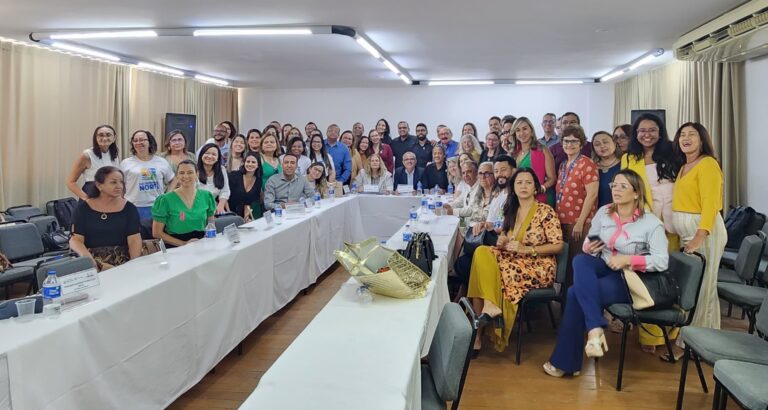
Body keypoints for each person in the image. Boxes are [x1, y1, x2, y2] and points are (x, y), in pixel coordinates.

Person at [544, 169, 668, 377]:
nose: (616, 190)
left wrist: (628, 260)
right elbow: (590, 240)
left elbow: (661, 261)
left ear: (636, 193)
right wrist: (589, 246)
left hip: (629, 277)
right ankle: (595, 328)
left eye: (623, 186)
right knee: (581, 259)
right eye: (614, 185)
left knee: (575, 293)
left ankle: (568, 360)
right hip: (603, 265)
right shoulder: (604, 212)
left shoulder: (651, 223)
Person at [469, 169, 564, 354]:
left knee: (485, 272)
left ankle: (478, 334)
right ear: (513, 187)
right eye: (519, 182)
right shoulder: (511, 210)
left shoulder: (546, 211)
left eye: (528, 182)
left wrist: (527, 249)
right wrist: (503, 240)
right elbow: (506, 236)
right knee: (481, 253)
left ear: (535, 188)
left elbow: (558, 245)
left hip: (538, 265)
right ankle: (489, 306)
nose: (523, 186)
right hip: (513, 259)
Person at [621, 113, 680, 352]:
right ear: (636, 134)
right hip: (644, 222)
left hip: (672, 224)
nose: (647, 134)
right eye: (642, 130)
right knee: (647, 277)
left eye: (652, 130)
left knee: (671, 277)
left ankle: (672, 330)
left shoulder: (673, 154)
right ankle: (650, 335)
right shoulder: (629, 158)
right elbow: (626, 189)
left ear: (660, 131)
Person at [671, 122, 727, 332]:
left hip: (703, 232)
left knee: (704, 285)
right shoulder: (684, 166)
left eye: (692, 134)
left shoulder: (708, 164)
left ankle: (703, 336)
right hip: (688, 233)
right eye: (682, 134)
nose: (685, 138)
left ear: (702, 140)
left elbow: (710, 204)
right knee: (692, 286)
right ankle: (690, 334)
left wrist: (699, 236)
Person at [69, 166, 142, 270]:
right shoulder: (82, 209)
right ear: (99, 185)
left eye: (121, 182)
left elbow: (134, 240)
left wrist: (134, 264)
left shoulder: (129, 208)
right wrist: (88, 260)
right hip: (91, 261)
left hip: (122, 261)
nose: (119, 186)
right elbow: (76, 240)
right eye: (113, 182)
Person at [556, 125, 599, 289]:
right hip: (563, 221)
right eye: (566, 141)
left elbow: (592, 195)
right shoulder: (563, 165)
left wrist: (580, 222)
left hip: (580, 222)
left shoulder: (587, 164)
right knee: (565, 266)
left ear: (581, 144)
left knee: (578, 263)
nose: (570, 144)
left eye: (574, 141)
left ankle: (578, 297)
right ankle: (565, 299)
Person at [151, 160, 216, 247]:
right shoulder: (165, 200)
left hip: (201, 244)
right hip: (175, 246)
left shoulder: (206, 196)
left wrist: (206, 240)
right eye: (181, 173)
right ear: (177, 176)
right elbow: (157, 233)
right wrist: (184, 244)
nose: (185, 176)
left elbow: (211, 223)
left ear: (197, 174)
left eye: (190, 172)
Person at [121, 130, 175, 220]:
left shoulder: (161, 161)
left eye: (142, 140)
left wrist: (166, 196)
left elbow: (173, 179)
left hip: (157, 206)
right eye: (135, 140)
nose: (138, 143)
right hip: (133, 206)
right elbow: (120, 183)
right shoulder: (126, 163)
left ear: (150, 142)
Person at [67, 124, 121, 200]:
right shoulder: (87, 155)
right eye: (101, 135)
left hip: (110, 198)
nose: (104, 138)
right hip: (92, 197)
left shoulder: (114, 155)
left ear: (114, 138)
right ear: (96, 138)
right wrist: (87, 199)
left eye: (108, 135)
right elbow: (70, 183)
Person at [510, 117, 556, 205]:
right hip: (521, 200)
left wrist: (540, 189)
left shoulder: (543, 150)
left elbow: (552, 179)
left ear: (531, 131)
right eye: (518, 130)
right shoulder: (514, 154)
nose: (521, 133)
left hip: (541, 200)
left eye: (525, 129)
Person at [443, 160, 485, 233]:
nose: (466, 175)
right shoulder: (467, 185)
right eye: (463, 173)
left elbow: (470, 210)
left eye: (469, 172)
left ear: (477, 173)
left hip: (474, 226)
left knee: (451, 231)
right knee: (446, 227)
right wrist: (449, 205)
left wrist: (452, 211)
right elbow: (460, 200)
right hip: (465, 222)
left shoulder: (481, 187)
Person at [484, 155, 518, 231]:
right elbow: (490, 221)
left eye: (503, 170)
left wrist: (492, 226)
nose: (499, 174)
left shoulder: (516, 195)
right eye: (496, 171)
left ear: (514, 171)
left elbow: (511, 225)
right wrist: (484, 225)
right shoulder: (498, 194)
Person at [196, 143, 230, 214]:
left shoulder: (222, 170)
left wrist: (220, 206)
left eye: (214, 154)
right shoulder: (194, 170)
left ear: (218, 158)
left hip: (213, 208)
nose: (210, 156)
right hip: (196, 208)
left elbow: (225, 191)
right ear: (201, 155)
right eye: (207, 153)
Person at [228, 152, 262, 221]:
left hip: (241, 215)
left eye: (253, 162)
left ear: (258, 165)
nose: (250, 164)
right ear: (244, 163)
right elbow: (225, 196)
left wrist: (246, 217)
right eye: (248, 161)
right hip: (228, 212)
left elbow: (248, 203)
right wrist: (229, 213)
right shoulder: (234, 175)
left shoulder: (258, 180)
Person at [592, 131, 622, 208]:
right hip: (597, 212)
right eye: (597, 144)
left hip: (619, 210)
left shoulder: (624, 164)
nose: (602, 146)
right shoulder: (591, 167)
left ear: (614, 143)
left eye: (605, 142)